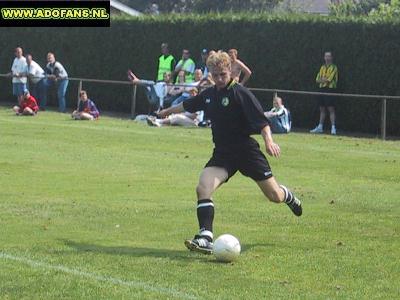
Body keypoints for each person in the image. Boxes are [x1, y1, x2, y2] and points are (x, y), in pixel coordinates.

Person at [157, 51, 302, 255]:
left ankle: (288, 195)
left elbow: (262, 121)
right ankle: (206, 236)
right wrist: (165, 112)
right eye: (215, 75)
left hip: (247, 152)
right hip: (223, 154)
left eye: (223, 75)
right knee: (203, 187)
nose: (219, 79)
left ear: (230, 72)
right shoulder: (210, 95)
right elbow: (187, 105)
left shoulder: (240, 93)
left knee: (274, 196)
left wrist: (269, 141)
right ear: (211, 74)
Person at [310, 51, 339, 135]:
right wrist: (323, 80)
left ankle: (333, 128)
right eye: (326, 56)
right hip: (322, 89)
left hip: (330, 89)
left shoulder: (334, 67)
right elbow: (317, 79)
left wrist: (323, 79)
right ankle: (320, 127)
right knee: (322, 108)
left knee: (331, 109)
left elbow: (329, 80)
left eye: (328, 56)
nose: (327, 58)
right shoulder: (322, 67)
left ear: (331, 58)